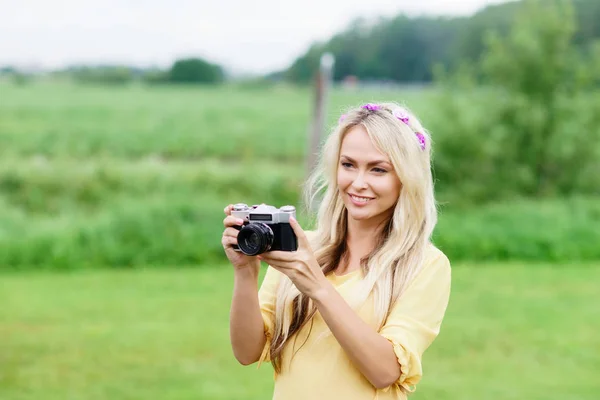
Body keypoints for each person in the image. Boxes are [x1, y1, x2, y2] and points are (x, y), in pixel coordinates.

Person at [221, 102, 451, 400]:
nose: (358, 183)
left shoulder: (425, 265)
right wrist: (245, 273)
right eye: (348, 165)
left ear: (406, 178)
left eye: (378, 169)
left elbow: (385, 371)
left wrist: (317, 286)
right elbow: (247, 351)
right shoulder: (302, 249)